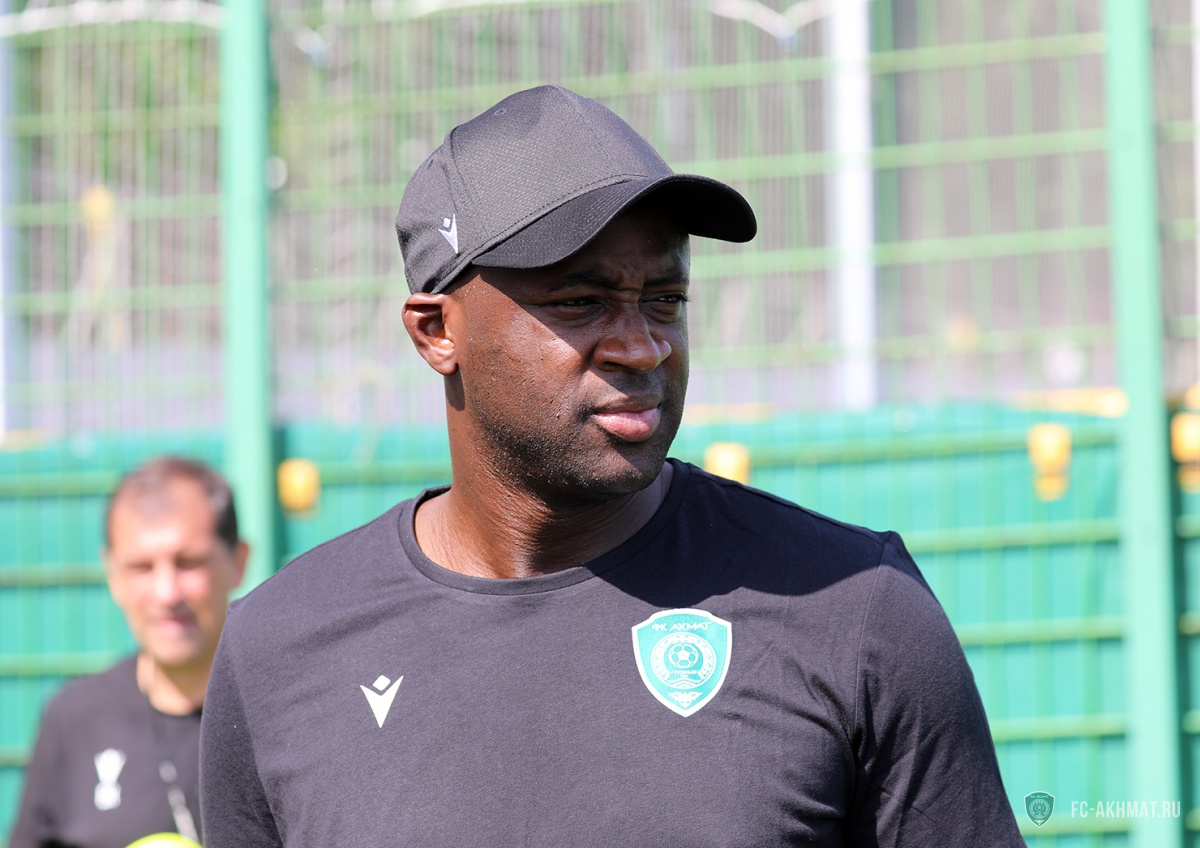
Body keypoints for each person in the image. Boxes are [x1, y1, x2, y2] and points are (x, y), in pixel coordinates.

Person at [199, 85, 1024, 846]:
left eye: (665, 300)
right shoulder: (279, 648)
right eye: (580, 302)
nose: (642, 345)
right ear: (436, 332)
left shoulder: (854, 610)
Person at [11, 456, 248, 848]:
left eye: (189, 563)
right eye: (141, 568)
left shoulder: (279, 712)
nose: (166, 593)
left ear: (237, 562)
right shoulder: (74, 717)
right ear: (113, 575)